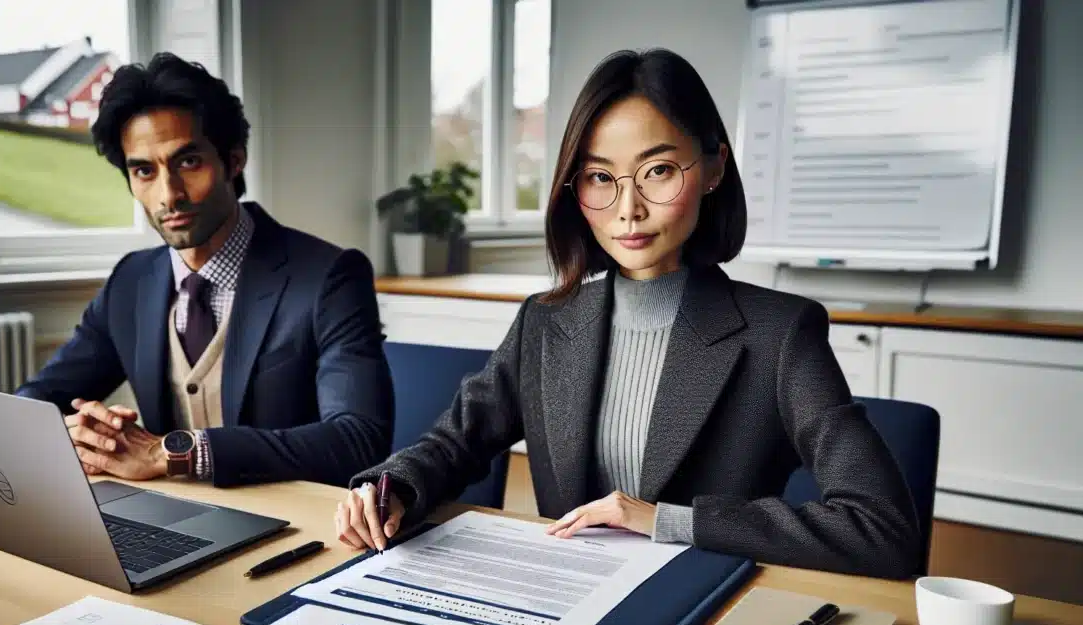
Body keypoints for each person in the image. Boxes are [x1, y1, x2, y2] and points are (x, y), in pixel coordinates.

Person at [334, 48, 920, 579]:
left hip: (701, 603)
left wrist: (665, 520)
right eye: (599, 178)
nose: (628, 209)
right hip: (563, 597)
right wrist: (393, 489)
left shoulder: (781, 334)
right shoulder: (547, 319)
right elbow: (453, 444)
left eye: (659, 170)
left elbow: (883, 527)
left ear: (714, 168)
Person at [17, 52, 393, 489]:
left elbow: (359, 439)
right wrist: (75, 434)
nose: (168, 194)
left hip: (299, 526)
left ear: (233, 161)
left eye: (188, 162)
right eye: (144, 171)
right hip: (173, 521)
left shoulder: (330, 277)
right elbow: (37, 400)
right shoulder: (131, 281)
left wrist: (173, 453)